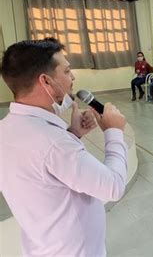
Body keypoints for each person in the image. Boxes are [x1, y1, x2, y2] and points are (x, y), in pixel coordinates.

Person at [0, 38, 127, 256]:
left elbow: (43, 171)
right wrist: (114, 131)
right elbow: (113, 186)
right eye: (67, 71)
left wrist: (73, 134)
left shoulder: (7, 128)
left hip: (44, 246)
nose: (73, 77)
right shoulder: (53, 143)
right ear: (46, 81)